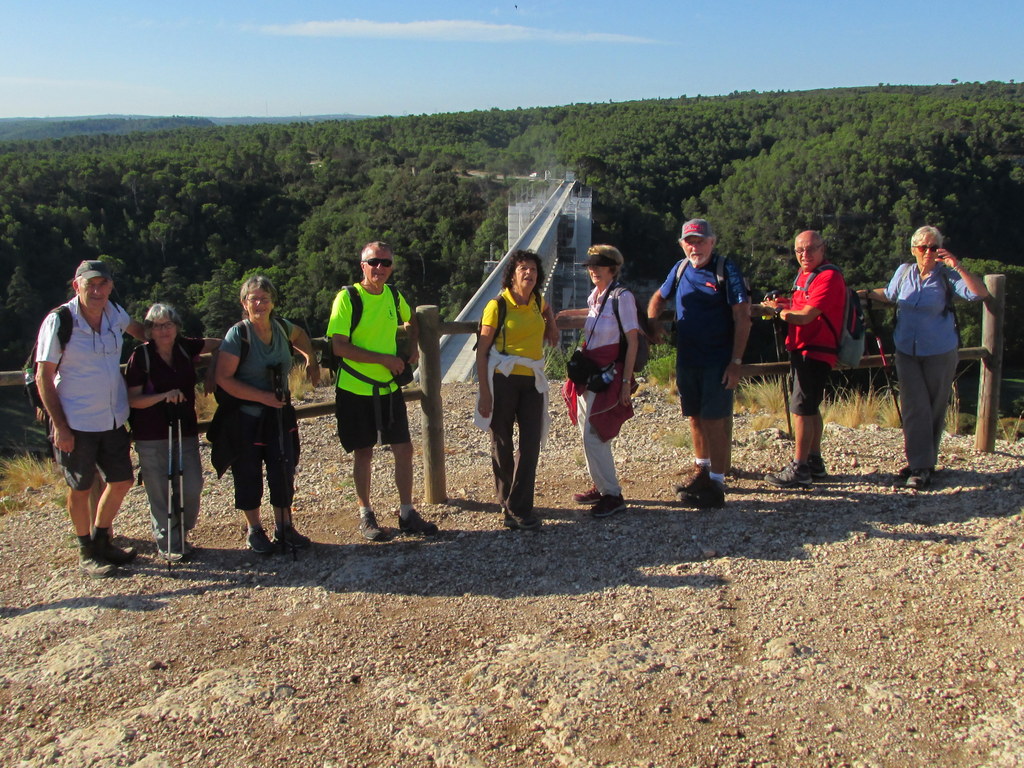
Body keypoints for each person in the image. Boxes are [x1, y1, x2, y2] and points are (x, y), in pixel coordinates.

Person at [34, 260, 147, 578]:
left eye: (103, 284)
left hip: (113, 419)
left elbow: (139, 331)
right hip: (76, 422)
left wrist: (170, 339)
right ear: (77, 286)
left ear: (110, 286)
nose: (97, 291)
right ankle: (87, 551)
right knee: (80, 487)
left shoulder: (114, 313)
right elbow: (44, 375)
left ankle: (102, 539)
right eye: (90, 284)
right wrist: (60, 426)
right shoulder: (60, 321)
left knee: (122, 481)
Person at [327, 241, 438, 541]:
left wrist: (412, 345)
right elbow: (339, 346)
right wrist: (385, 359)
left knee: (404, 450)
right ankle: (366, 514)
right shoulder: (348, 298)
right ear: (362, 265)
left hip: (388, 390)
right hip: (355, 389)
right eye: (373, 262)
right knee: (363, 453)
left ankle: (406, 513)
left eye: (385, 263)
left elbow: (411, 320)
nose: (379, 268)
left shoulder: (393, 295)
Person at [867, 226, 989, 489]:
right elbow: (889, 294)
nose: (929, 252)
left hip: (940, 350)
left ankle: (924, 464)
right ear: (914, 250)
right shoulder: (904, 272)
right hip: (906, 350)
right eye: (923, 247)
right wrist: (856, 295)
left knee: (934, 407)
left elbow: (979, 293)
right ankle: (919, 464)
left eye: (934, 247)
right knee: (914, 407)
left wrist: (958, 266)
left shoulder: (947, 276)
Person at [647, 219, 751, 508]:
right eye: (689, 242)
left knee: (714, 421)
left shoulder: (726, 269)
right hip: (688, 358)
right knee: (694, 417)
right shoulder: (679, 269)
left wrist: (736, 362)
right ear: (682, 244)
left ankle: (717, 484)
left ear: (713, 242)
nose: (695, 247)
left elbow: (743, 317)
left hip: (718, 360)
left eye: (701, 241)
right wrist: (653, 324)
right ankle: (702, 471)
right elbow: (658, 297)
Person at [213, 275, 320, 554]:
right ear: (244, 304)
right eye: (253, 299)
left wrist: (311, 359)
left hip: (280, 415)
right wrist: (263, 397)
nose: (259, 304)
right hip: (247, 417)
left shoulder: (282, 328)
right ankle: (254, 530)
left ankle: (284, 527)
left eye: (265, 298)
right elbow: (223, 378)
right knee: (247, 472)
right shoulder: (239, 335)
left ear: (273, 302)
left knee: (283, 468)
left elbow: (301, 336)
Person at [125, 304, 220, 560]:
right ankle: (168, 542)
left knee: (192, 486)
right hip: (151, 434)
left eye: (167, 324)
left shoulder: (185, 348)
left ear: (177, 327)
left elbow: (221, 344)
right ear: (149, 330)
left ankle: (182, 532)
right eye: (156, 325)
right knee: (159, 491)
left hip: (184, 429)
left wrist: (212, 370)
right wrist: (163, 397)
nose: (163, 330)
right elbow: (132, 400)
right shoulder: (141, 357)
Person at [475, 250, 559, 530]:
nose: (529, 274)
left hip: (532, 380)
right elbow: (482, 351)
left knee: (531, 443)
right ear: (512, 274)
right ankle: (508, 505)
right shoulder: (497, 305)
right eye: (523, 268)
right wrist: (485, 393)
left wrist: (553, 325)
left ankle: (519, 505)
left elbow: (547, 310)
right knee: (502, 442)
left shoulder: (537, 301)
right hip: (504, 378)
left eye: (534, 269)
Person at [556, 245, 640, 518]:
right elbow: (594, 315)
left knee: (595, 433)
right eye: (590, 265)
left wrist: (626, 382)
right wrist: (561, 316)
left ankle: (612, 495)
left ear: (612, 268)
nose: (592, 270)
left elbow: (633, 339)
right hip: (589, 373)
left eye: (598, 265)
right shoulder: (597, 296)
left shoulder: (621, 297)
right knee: (586, 431)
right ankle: (601, 485)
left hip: (607, 374)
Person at [761, 230, 845, 488]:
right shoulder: (807, 275)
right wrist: (785, 303)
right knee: (809, 406)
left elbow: (804, 316)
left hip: (814, 349)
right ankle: (813, 461)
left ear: (823, 248)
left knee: (801, 409)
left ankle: (800, 468)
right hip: (804, 348)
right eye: (799, 250)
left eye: (810, 249)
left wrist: (778, 310)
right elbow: (800, 306)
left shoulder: (828, 277)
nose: (804, 255)